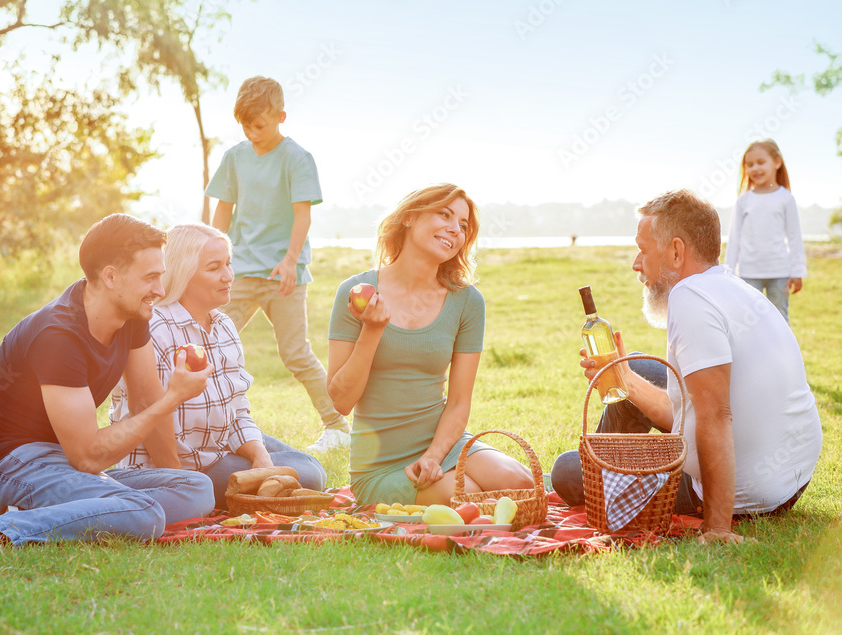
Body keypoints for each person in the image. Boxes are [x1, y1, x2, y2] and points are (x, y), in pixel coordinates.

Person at [551, 190, 822, 544]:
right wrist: (625, 379)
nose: (636, 263)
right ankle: (607, 462)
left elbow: (715, 415)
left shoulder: (689, 297)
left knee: (567, 471)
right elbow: (691, 412)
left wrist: (718, 529)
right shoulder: (730, 287)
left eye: (643, 250)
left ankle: (601, 472)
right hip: (790, 478)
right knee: (641, 368)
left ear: (677, 252)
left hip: (752, 491)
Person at [0, 214, 217, 557]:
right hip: (1, 470)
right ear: (111, 277)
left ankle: (69, 516)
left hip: (57, 462)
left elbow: (145, 398)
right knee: (145, 512)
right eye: (151, 278)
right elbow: (88, 457)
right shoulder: (58, 336)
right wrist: (174, 397)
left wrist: (173, 481)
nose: (160, 290)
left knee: (196, 488)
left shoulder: (130, 316)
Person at [326, 184, 535, 507]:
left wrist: (434, 457)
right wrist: (373, 329)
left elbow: (458, 402)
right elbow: (341, 401)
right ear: (410, 217)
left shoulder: (467, 301)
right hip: (381, 463)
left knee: (521, 483)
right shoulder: (356, 291)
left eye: (463, 225)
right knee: (470, 495)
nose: (455, 229)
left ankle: (447, 471)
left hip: (443, 444)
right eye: (445, 214)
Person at [108, 223, 327, 509]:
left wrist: (259, 455)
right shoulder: (156, 328)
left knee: (312, 470)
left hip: (218, 446)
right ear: (183, 273)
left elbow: (236, 409)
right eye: (214, 268)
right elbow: (152, 421)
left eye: (228, 264)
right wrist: (181, 484)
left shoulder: (223, 326)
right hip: (182, 464)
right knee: (306, 474)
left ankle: (254, 481)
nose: (228, 276)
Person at [206, 75, 351, 455]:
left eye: (261, 125)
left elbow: (301, 215)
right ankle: (209, 426)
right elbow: (223, 209)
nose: (253, 133)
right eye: (245, 125)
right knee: (209, 343)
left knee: (295, 354)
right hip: (240, 269)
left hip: (283, 274)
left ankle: (337, 427)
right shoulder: (234, 157)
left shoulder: (296, 158)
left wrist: (290, 261)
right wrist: (205, 253)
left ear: (281, 116)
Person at [725, 139, 806, 322]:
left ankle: (781, 352)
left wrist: (797, 271)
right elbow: (734, 237)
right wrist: (728, 272)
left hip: (779, 271)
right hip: (748, 272)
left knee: (779, 319)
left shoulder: (786, 198)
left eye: (761, 162)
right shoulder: (743, 200)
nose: (755, 169)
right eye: (750, 165)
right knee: (748, 321)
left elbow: (794, 236)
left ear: (777, 162)